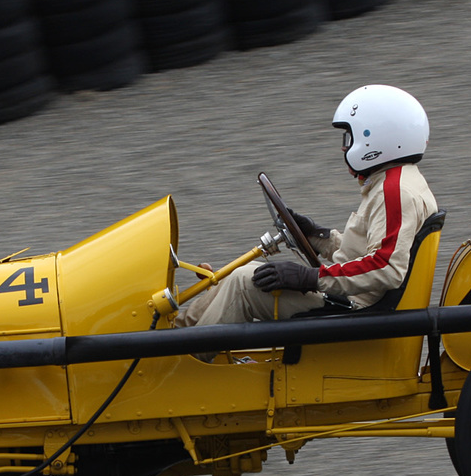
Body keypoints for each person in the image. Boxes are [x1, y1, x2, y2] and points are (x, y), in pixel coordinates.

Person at [175, 84, 439, 328]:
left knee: (243, 284)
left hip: (357, 311)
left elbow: (385, 267)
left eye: (349, 138)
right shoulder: (396, 182)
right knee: (243, 273)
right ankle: (175, 335)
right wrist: (317, 235)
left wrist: (309, 278)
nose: (344, 147)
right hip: (357, 301)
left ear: (376, 139)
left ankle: (179, 364)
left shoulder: (395, 191)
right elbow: (364, 252)